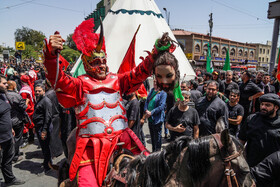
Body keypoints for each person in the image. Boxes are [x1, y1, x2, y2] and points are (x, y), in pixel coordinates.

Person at [44, 19, 177, 186]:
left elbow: (138, 73)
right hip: (90, 150)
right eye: (96, 62)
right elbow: (58, 80)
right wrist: (50, 55)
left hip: (124, 142)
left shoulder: (117, 80)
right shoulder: (79, 84)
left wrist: (154, 55)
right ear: (86, 64)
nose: (102, 66)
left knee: (154, 174)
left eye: (103, 61)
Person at [238, 93, 280, 167]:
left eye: (267, 105)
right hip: (251, 166)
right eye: (262, 104)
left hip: (273, 169)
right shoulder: (251, 119)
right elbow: (241, 141)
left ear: (276, 107)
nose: (263, 107)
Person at [0, 75, 25, 186]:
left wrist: (10, 128)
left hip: (8, 135)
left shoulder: (3, 96)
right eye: (4, 83)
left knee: (7, 158)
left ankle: (9, 179)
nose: (7, 85)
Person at [33, 84, 53, 173]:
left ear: (44, 91)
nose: (37, 92)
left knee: (46, 147)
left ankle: (48, 165)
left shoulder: (46, 101)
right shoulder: (39, 100)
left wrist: (44, 130)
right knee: (44, 147)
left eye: (39, 91)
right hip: (39, 127)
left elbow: (48, 117)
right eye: (36, 91)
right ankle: (47, 162)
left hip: (44, 127)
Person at [143, 80, 167, 152]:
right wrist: (146, 110)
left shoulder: (163, 93)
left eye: (157, 82)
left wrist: (152, 112)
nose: (155, 84)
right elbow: (147, 101)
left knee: (157, 137)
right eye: (154, 82)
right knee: (152, 136)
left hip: (157, 119)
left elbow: (162, 106)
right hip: (150, 118)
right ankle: (153, 152)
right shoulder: (152, 90)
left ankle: (157, 152)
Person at [6, 80, 27, 163]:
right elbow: (23, 107)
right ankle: (15, 156)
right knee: (17, 138)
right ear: (14, 87)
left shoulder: (3, 95)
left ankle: (15, 152)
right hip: (16, 120)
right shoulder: (16, 96)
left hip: (7, 121)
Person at [44, 80, 63, 158]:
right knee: (56, 133)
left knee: (53, 135)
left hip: (52, 116)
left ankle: (56, 152)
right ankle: (59, 150)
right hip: (57, 115)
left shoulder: (47, 95)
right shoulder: (56, 92)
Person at [19, 74, 35, 144]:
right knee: (31, 123)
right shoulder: (29, 87)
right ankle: (31, 138)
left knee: (26, 124)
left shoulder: (24, 91)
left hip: (27, 109)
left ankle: (27, 139)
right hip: (31, 107)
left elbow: (24, 101)